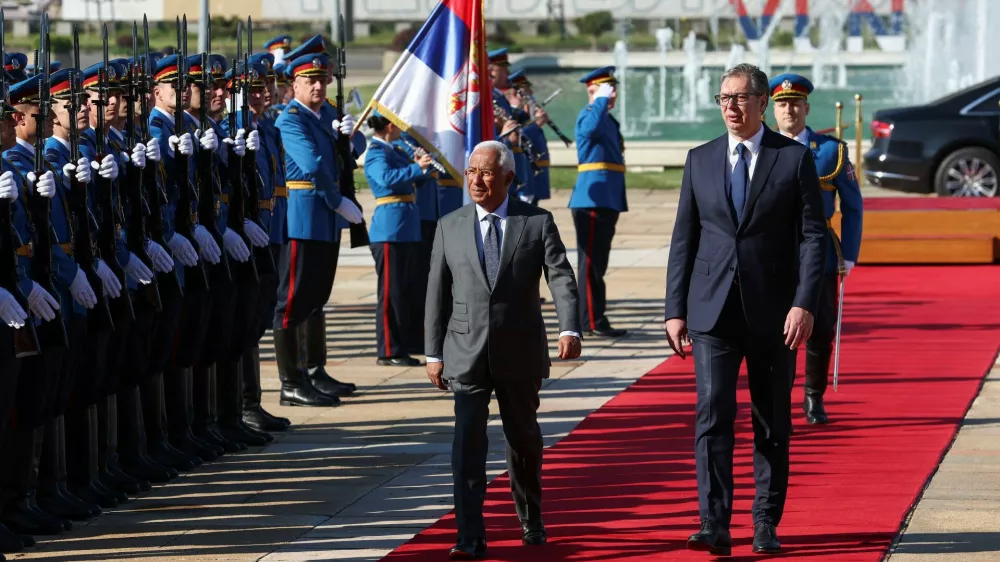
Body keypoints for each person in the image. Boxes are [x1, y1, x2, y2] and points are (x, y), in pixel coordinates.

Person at [664, 63, 826, 556]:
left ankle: (764, 522)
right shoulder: (700, 159)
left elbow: (813, 238)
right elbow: (684, 238)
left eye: (739, 98)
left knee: (771, 420)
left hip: (775, 314)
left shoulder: (792, 159)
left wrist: (804, 303)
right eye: (723, 99)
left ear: (761, 102)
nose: (731, 108)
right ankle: (714, 523)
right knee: (712, 414)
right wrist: (674, 309)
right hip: (712, 312)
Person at [424, 140, 582, 560]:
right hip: (465, 352)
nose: (477, 179)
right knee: (467, 445)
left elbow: (561, 278)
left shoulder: (537, 221)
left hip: (520, 350)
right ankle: (469, 536)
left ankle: (531, 519)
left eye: (487, 172)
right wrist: (432, 353)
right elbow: (436, 293)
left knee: (524, 441)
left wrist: (570, 327)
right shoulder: (449, 225)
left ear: (509, 178)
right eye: (472, 171)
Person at [769, 73, 863, 425]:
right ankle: (779, 398)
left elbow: (853, 206)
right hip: (774, 251)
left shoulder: (830, 152)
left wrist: (849, 254)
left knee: (821, 327)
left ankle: (813, 397)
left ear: (806, 107)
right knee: (776, 330)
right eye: (782, 104)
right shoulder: (762, 147)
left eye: (795, 103)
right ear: (771, 109)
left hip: (819, 250)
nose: (789, 110)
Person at [273, 51, 364, 407]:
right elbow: (312, 164)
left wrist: (350, 135)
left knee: (317, 297)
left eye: (322, 80)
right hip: (303, 214)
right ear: (294, 84)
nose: (318, 85)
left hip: (325, 217)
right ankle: (291, 382)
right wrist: (337, 198)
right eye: (310, 80)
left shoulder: (326, 112)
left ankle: (315, 371)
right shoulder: (291, 119)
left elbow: (358, 149)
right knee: (292, 300)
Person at [365, 113, 433, 366]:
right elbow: (386, 179)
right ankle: (389, 350)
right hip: (389, 229)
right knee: (390, 293)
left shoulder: (395, 151)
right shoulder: (376, 152)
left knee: (405, 290)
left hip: (406, 227)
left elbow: (412, 179)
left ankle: (404, 342)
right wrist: (417, 168)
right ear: (390, 126)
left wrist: (424, 170)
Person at [571, 66, 628, 339]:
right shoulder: (589, 114)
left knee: (598, 262)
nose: (613, 94)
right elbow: (589, 132)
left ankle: (594, 316)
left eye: (613, 89)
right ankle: (591, 320)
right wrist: (600, 101)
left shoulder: (607, 118)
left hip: (607, 198)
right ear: (592, 91)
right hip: (592, 199)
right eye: (607, 89)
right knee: (591, 262)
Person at [508, 70, 551, 206]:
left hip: (531, 173)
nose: (531, 95)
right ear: (516, 94)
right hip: (519, 170)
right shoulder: (511, 112)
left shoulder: (525, 112)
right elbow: (517, 136)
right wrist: (536, 124)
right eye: (527, 92)